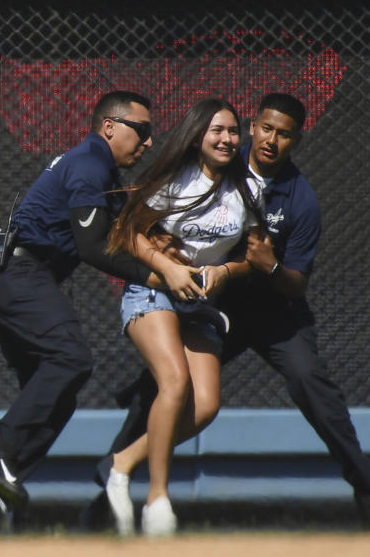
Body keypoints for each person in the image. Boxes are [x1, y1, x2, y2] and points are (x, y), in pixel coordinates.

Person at [90, 93, 370, 532]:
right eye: (265, 129)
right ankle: (106, 497)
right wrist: (161, 247)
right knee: (162, 388)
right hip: (212, 304)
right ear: (253, 128)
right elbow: (143, 218)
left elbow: (296, 280)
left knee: (310, 384)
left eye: (285, 134)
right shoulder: (219, 162)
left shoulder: (299, 199)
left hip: (274, 311)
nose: (271, 140)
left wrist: (267, 265)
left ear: (296, 140)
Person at [0, 91, 206, 532]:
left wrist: (168, 263)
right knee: (69, 359)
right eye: (142, 130)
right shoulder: (90, 161)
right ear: (109, 126)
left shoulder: (100, 169)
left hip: (10, 278)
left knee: (57, 392)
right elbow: (94, 246)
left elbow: (125, 235)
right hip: (20, 274)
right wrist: (158, 277)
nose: (148, 142)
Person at [98, 98, 264, 537]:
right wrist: (168, 268)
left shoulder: (248, 189)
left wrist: (227, 270)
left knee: (206, 405)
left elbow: (254, 258)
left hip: (201, 306)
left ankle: (120, 464)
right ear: (197, 136)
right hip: (153, 293)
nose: (227, 139)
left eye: (232, 131)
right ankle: (158, 498)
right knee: (174, 383)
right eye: (216, 131)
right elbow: (126, 234)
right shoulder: (174, 183)